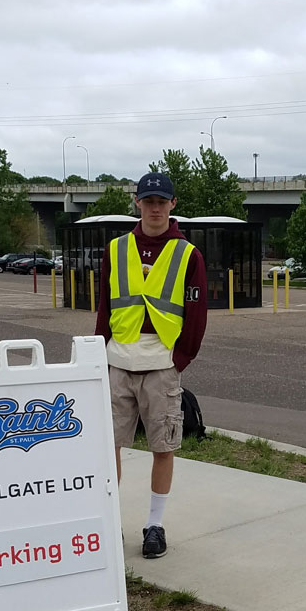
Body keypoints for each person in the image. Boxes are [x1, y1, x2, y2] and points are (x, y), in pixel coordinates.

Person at [95, 172, 207, 559]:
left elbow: (196, 311)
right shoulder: (115, 249)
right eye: (148, 200)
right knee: (108, 446)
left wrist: (181, 358)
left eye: (162, 200)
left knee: (163, 446)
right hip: (117, 360)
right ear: (137, 203)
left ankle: (154, 526)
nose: (155, 207)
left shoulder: (187, 253)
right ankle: (107, 520)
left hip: (161, 363)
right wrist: (98, 351)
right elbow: (104, 306)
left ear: (173, 205)